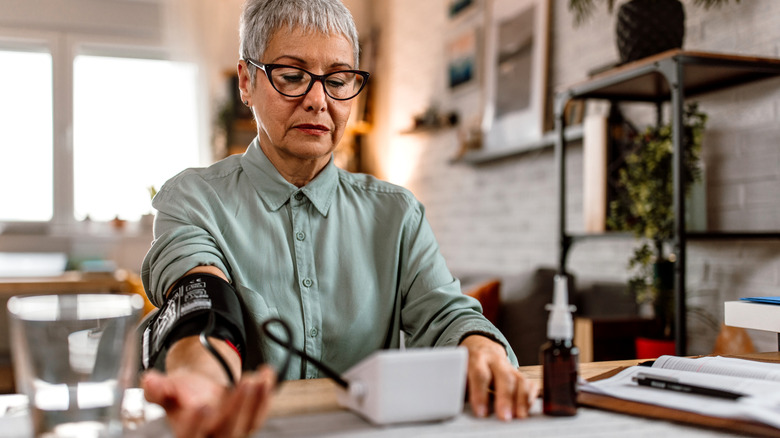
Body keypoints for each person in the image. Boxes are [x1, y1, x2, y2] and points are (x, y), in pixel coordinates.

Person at [140, 0, 538, 436]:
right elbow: (204, 306)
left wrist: (479, 348)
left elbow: (444, 315)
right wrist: (204, 378)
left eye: (338, 79)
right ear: (246, 81)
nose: (318, 100)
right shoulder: (192, 198)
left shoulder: (397, 214)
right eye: (291, 76)